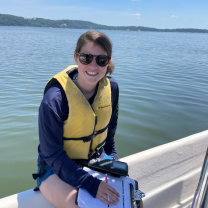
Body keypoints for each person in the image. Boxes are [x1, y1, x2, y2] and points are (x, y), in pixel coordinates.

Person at [33, 31, 121, 208]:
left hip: (94, 159)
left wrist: (114, 161)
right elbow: (53, 155)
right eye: (86, 57)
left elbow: (109, 136)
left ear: (108, 62)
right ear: (75, 58)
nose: (93, 66)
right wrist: (92, 184)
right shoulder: (55, 100)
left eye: (101, 59)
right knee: (85, 205)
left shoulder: (112, 88)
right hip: (54, 168)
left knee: (133, 199)